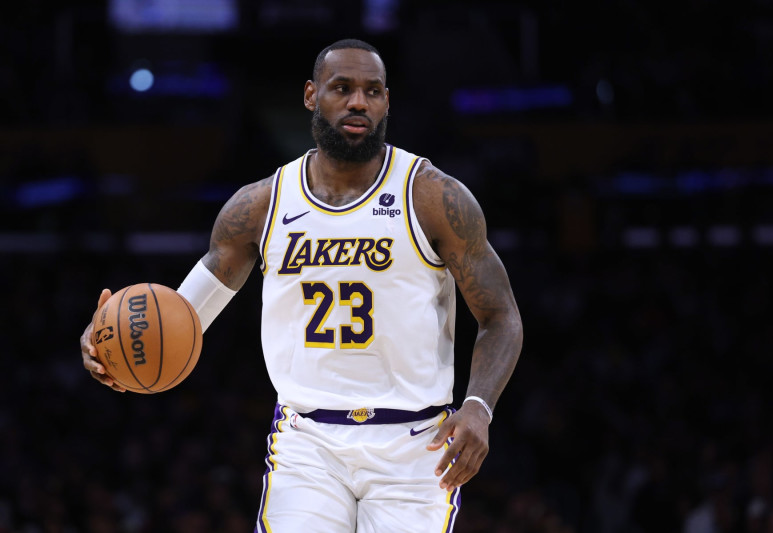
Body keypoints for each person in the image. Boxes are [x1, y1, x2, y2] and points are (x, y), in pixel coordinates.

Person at [80, 38, 523, 532]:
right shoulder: (259, 206)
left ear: (386, 103)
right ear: (311, 95)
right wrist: (111, 342)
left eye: (372, 91)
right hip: (307, 442)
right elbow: (180, 318)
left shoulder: (432, 196)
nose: (359, 101)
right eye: (343, 88)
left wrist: (479, 407)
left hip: (418, 443)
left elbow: (500, 315)